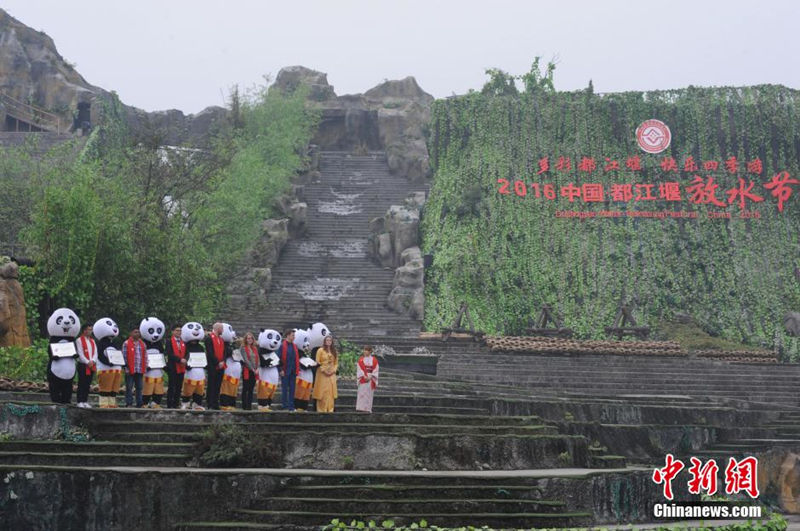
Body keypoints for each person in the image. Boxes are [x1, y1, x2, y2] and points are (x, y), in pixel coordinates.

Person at [95, 318, 123, 408]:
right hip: (105, 369)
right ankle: (103, 403)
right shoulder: (100, 344)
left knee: (114, 387)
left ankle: (111, 403)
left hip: (116, 369)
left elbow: (118, 354)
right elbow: (99, 355)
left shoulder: (115, 343)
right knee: (105, 387)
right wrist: (107, 362)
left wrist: (121, 362)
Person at [180, 321, 207, 411]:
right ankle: (185, 403)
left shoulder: (200, 347)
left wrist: (204, 364)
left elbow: (203, 357)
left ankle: (197, 404)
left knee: (199, 389)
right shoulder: (185, 346)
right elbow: (183, 357)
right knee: (188, 389)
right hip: (190, 370)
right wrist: (187, 365)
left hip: (200, 371)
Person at [122, 328, 148, 408]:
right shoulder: (126, 343)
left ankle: (139, 403)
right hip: (130, 369)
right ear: (131, 333)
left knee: (139, 387)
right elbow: (124, 357)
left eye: (138, 332)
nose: (137, 333)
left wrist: (146, 366)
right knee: (129, 387)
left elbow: (145, 356)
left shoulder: (143, 344)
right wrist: (126, 368)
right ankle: (129, 403)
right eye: (135, 332)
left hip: (140, 369)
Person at [312, 335, 338, 413]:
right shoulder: (320, 350)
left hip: (331, 374)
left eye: (330, 340)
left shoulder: (334, 351)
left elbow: (336, 363)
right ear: (324, 341)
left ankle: (330, 409)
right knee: (322, 391)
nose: (328, 342)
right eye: (327, 340)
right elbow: (317, 362)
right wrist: (324, 371)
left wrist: (333, 371)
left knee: (330, 392)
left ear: (332, 342)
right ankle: (321, 409)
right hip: (322, 373)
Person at [204, 322, 226, 410]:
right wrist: (217, 362)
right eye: (222, 328)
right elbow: (210, 353)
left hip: (221, 366)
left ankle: (216, 403)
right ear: (217, 328)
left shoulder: (221, 339)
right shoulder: (209, 338)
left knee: (218, 385)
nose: (223, 330)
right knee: (211, 385)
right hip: (212, 366)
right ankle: (210, 403)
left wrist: (223, 361)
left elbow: (224, 352)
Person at [75, 323, 97, 408]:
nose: (91, 331)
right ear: (84, 330)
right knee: (82, 383)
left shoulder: (92, 341)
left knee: (88, 383)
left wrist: (93, 360)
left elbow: (95, 353)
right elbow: (80, 353)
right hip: (83, 365)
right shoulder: (79, 340)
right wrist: (88, 362)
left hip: (91, 365)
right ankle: (79, 401)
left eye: (91, 329)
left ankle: (85, 400)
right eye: (89, 329)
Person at [279, 328, 299, 411]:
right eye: (292, 335)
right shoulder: (282, 346)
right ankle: (284, 405)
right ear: (288, 336)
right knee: (284, 389)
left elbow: (296, 358)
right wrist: (280, 370)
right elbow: (278, 359)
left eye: (294, 335)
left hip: (293, 371)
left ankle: (291, 406)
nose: (294, 337)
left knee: (292, 389)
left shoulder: (294, 346)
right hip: (285, 370)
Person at [166, 325, 186, 408]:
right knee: (172, 386)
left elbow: (187, 353)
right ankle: (170, 404)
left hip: (181, 367)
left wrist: (185, 359)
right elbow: (170, 354)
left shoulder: (183, 342)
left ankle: (176, 403)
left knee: (179, 386)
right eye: (177, 330)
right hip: (173, 367)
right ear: (173, 332)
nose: (179, 332)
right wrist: (179, 360)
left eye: (180, 331)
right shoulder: (169, 341)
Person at [355, 346, 379, 413]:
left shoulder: (374, 360)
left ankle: (368, 408)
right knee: (362, 393)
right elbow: (359, 369)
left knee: (369, 394)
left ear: (370, 351)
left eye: (367, 350)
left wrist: (370, 376)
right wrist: (363, 376)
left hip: (370, 377)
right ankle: (360, 408)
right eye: (364, 350)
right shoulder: (361, 360)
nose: (365, 352)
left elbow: (376, 370)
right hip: (363, 377)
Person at [240, 333, 259, 411]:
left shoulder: (255, 348)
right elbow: (246, 360)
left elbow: (258, 359)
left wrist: (257, 368)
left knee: (251, 389)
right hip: (247, 371)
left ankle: (249, 406)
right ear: (245, 339)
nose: (250, 340)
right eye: (248, 338)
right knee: (245, 389)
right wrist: (253, 369)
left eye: (251, 338)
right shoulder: (243, 348)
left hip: (255, 371)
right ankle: (244, 406)